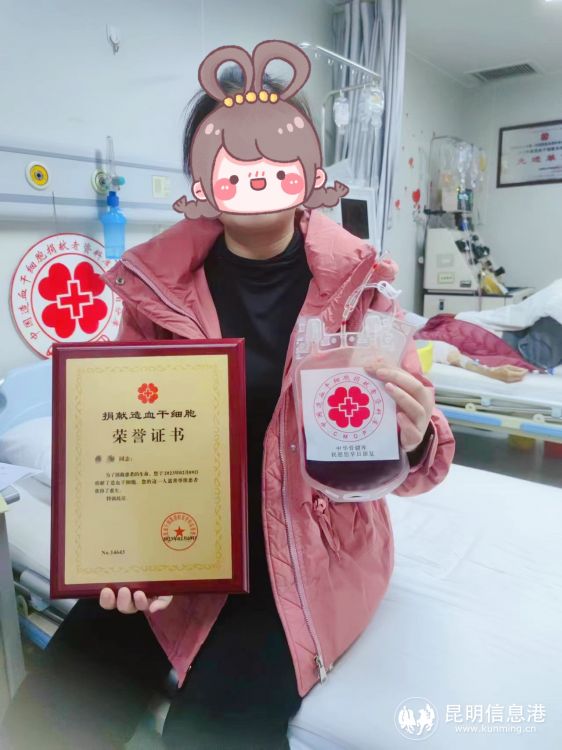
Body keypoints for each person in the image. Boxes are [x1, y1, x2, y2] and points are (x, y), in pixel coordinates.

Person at [1, 40, 455, 749]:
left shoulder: (361, 287)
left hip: (308, 556)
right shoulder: (154, 290)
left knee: (209, 732)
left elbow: (422, 465)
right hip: (179, 541)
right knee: (55, 710)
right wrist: (118, 555)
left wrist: (417, 434)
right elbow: (124, 441)